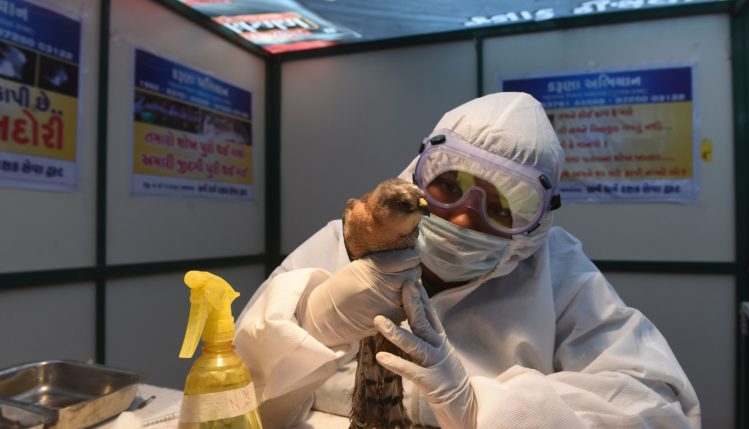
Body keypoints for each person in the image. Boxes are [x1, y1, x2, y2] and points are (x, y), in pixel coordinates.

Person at [234, 92, 701, 428]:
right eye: (449, 187)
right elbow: (236, 392)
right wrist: (313, 326)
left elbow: (657, 408)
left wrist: (480, 408)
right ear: (418, 176)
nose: (461, 218)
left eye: (499, 209)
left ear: (531, 228)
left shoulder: (557, 271)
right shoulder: (343, 241)